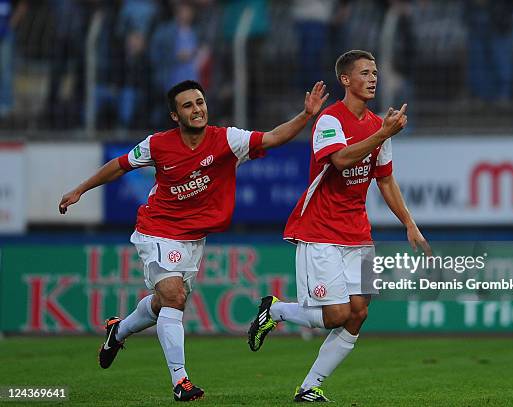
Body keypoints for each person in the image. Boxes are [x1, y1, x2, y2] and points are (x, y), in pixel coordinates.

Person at [58, 79, 328, 402]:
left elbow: (272, 138)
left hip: (193, 239)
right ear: (175, 115)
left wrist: (306, 116)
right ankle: (180, 381)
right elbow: (120, 166)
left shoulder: (226, 139)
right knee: (174, 296)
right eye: (188, 105)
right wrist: (79, 190)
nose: (197, 109)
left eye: (200, 102)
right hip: (157, 229)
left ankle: (118, 331)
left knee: (162, 304)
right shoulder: (157, 145)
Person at [247, 50, 430, 402]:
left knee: (359, 313)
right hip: (320, 231)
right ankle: (277, 310)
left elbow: (386, 180)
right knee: (335, 315)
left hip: (358, 233)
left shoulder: (380, 126)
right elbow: (342, 159)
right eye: (365, 72)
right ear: (346, 80)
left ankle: (309, 387)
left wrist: (409, 223)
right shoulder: (330, 120)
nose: (373, 78)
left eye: (375, 71)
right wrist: (383, 134)